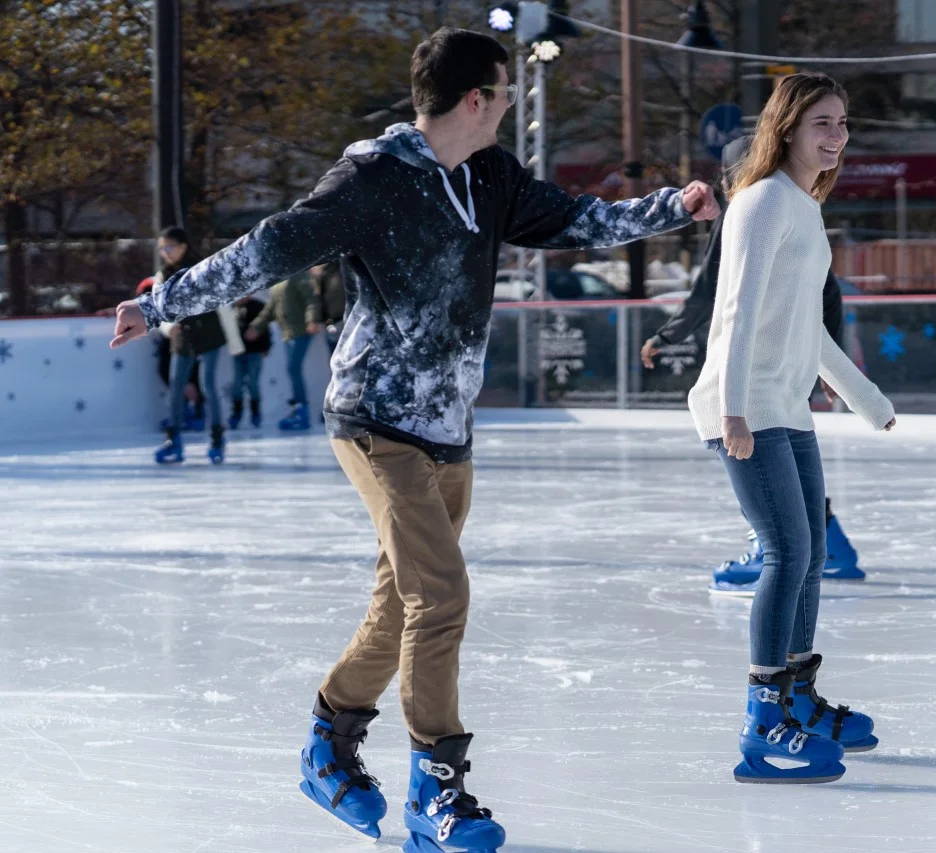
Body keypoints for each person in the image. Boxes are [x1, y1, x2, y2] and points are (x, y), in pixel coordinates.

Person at [110, 27, 718, 852]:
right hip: (374, 421)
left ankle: (329, 737)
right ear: (477, 97)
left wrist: (667, 208)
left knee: (402, 605)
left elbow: (576, 219)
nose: (509, 105)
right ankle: (439, 786)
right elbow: (268, 250)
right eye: (505, 93)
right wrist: (162, 302)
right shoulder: (372, 178)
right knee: (443, 595)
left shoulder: (491, 175)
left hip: (448, 425)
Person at [686, 73, 895, 784]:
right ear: (786, 130)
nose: (836, 136)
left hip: (784, 403)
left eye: (842, 122)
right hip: (744, 404)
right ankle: (763, 718)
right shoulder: (762, 201)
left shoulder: (804, 205)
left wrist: (867, 399)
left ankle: (798, 700)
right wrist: (735, 408)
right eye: (821, 124)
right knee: (786, 551)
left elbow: (807, 329)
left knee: (808, 556)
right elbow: (737, 309)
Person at [640, 137, 864, 594]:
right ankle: (830, 545)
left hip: (756, 373)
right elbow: (828, 292)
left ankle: (772, 548)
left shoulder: (750, 211)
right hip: (788, 364)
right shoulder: (791, 205)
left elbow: (710, 292)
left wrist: (668, 335)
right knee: (782, 465)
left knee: (763, 465)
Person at [152, 227, 242, 465]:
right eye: (161, 248)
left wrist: (234, 342)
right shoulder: (163, 275)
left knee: (208, 385)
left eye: (169, 247)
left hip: (209, 332)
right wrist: (168, 328)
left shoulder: (202, 269)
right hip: (182, 336)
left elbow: (223, 303)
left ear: (183, 246)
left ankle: (216, 440)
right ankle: (174, 440)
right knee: (176, 387)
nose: (165, 253)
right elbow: (158, 307)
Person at [245, 272, 319, 430]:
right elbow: (270, 309)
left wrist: (312, 320)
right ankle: (298, 407)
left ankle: (302, 410)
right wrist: (256, 326)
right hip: (288, 333)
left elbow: (311, 300)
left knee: (293, 369)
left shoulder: (299, 276)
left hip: (300, 331)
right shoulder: (278, 282)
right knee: (292, 370)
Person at [229, 294, 271, 429]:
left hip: (254, 351)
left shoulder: (258, 306)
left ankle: (255, 412)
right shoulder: (232, 308)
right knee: (237, 383)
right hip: (238, 352)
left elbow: (265, 329)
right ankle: (236, 412)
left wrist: (265, 347)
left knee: (253, 383)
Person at [309, 262, 346, 355]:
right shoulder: (320, 277)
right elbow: (316, 300)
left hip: (342, 319)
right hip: (332, 322)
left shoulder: (340, 271)